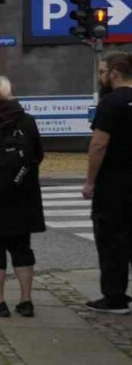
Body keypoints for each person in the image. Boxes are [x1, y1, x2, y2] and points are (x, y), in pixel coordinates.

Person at [0, 75, 45, 318]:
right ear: (9, 92)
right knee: (22, 247)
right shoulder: (26, 121)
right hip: (22, 193)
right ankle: (26, 301)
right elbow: (37, 154)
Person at [82, 52, 132, 314]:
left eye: (102, 72)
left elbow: (99, 144)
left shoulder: (111, 103)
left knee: (112, 240)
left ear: (114, 74)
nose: (100, 76)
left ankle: (115, 297)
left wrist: (90, 181)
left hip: (114, 183)